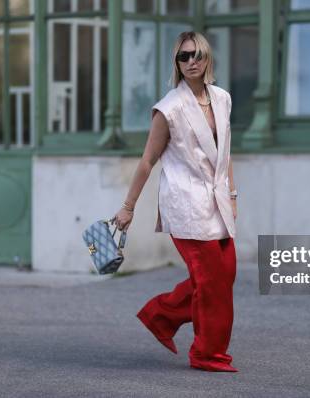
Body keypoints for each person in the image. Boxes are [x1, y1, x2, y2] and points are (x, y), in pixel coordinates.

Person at [112, 31, 238, 372]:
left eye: (196, 54)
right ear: (177, 63)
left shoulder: (222, 98)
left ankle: (160, 315)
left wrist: (232, 193)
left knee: (223, 276)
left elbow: (225, 153)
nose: (191, 61)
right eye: (184, 56)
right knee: (211, 283)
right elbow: (147, 161)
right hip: (185, 204)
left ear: (207, 58)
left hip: (218, 202)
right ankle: (207, 354)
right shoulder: (169, 108)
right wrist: (128, 207)